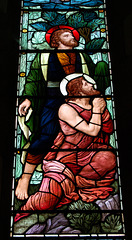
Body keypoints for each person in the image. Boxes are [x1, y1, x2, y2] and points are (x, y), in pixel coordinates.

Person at [15, 26, 110, 200]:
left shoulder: (82, 56)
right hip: (52, 100)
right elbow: (33, 78)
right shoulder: (43, 57)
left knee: (83, 139)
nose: (74, 36)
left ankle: (75, 180)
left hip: (79, 101)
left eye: (73, 34)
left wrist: (102, 75)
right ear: (56, 40)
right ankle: (25, 178)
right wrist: (28, 98)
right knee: (46, 136)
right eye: (68, 35)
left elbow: (94, 77)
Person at [15, 73, 116, 222]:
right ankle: (25, 208)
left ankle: (75, 183)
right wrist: (97, 110)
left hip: (90, 154)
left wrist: (102, 112)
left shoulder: (96, 104)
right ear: (78, 89)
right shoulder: (66, 109)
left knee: (108, 157)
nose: (92, 84)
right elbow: (92, 130)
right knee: (46, 202)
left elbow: (108, 129)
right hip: (65, 161)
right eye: (86, 83)